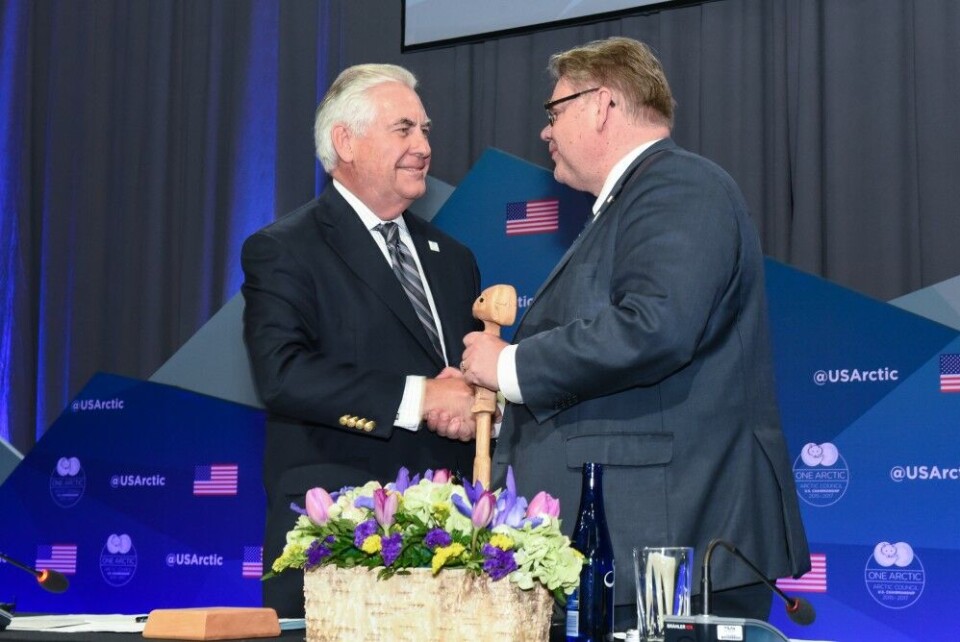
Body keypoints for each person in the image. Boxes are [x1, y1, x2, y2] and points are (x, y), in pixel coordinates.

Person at [460, 37, 810, 627]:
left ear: (602, 105)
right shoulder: (637, 198)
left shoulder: (679, 185)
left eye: (554, 111)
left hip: (669, 547)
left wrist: (509, 367)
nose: (545, 131)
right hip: (632, 550)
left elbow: (656, 327)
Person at [241, 63, 481, 617]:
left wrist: (474, 404)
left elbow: (463, 380)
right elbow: (282, 374)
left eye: (425, 130)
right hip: (340, 536)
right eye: (404, 129)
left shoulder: (455, 258)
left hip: (452, 545)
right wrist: (421, 397)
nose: (423, 146)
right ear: (345, 142)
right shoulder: (285, 248)